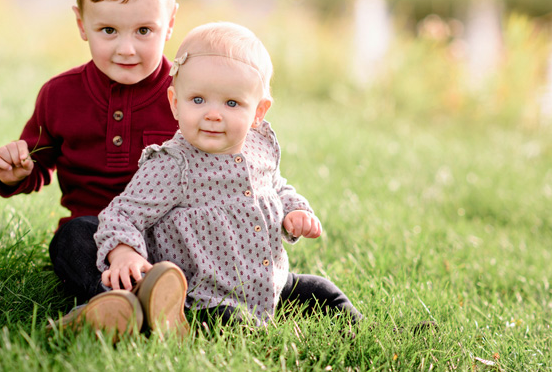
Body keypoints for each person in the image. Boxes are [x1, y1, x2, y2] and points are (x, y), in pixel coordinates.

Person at [94, 22, 363, 333]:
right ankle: (174, 320)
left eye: (231, 103)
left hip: (270, 284)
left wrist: (295, 210)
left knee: (321, 290)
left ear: (258, 112)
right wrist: (125, 252)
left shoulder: (259, 148)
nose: (213, 114)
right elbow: (122, 213)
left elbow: (276, 186)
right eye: (198, 100)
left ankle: (361, 331)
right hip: (204, 293)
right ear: (175, 103)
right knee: (231, 323)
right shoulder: (174, 165)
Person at [0, 0, 181, 341]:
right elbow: (37, 162)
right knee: (69, 239)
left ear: (170, 25)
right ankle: (117, 304)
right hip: (95, 235)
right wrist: (16, 171)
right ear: (82, 23)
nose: (126, 49)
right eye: (108, 31)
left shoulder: (187, 94)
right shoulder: (59, 95)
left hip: (168, 236)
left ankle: (157, 296)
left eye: (143, 31)